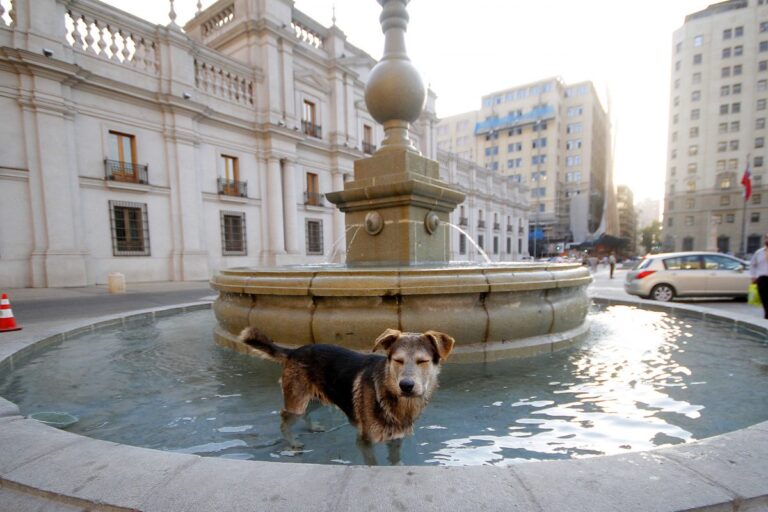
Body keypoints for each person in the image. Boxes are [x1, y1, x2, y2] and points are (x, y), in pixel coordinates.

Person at [749, 233, 768, 319]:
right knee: (764, 300)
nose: (767, 240)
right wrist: (753, 276)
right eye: (766, 238)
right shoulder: (759, 252)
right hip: (762, 279)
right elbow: (753, 264)